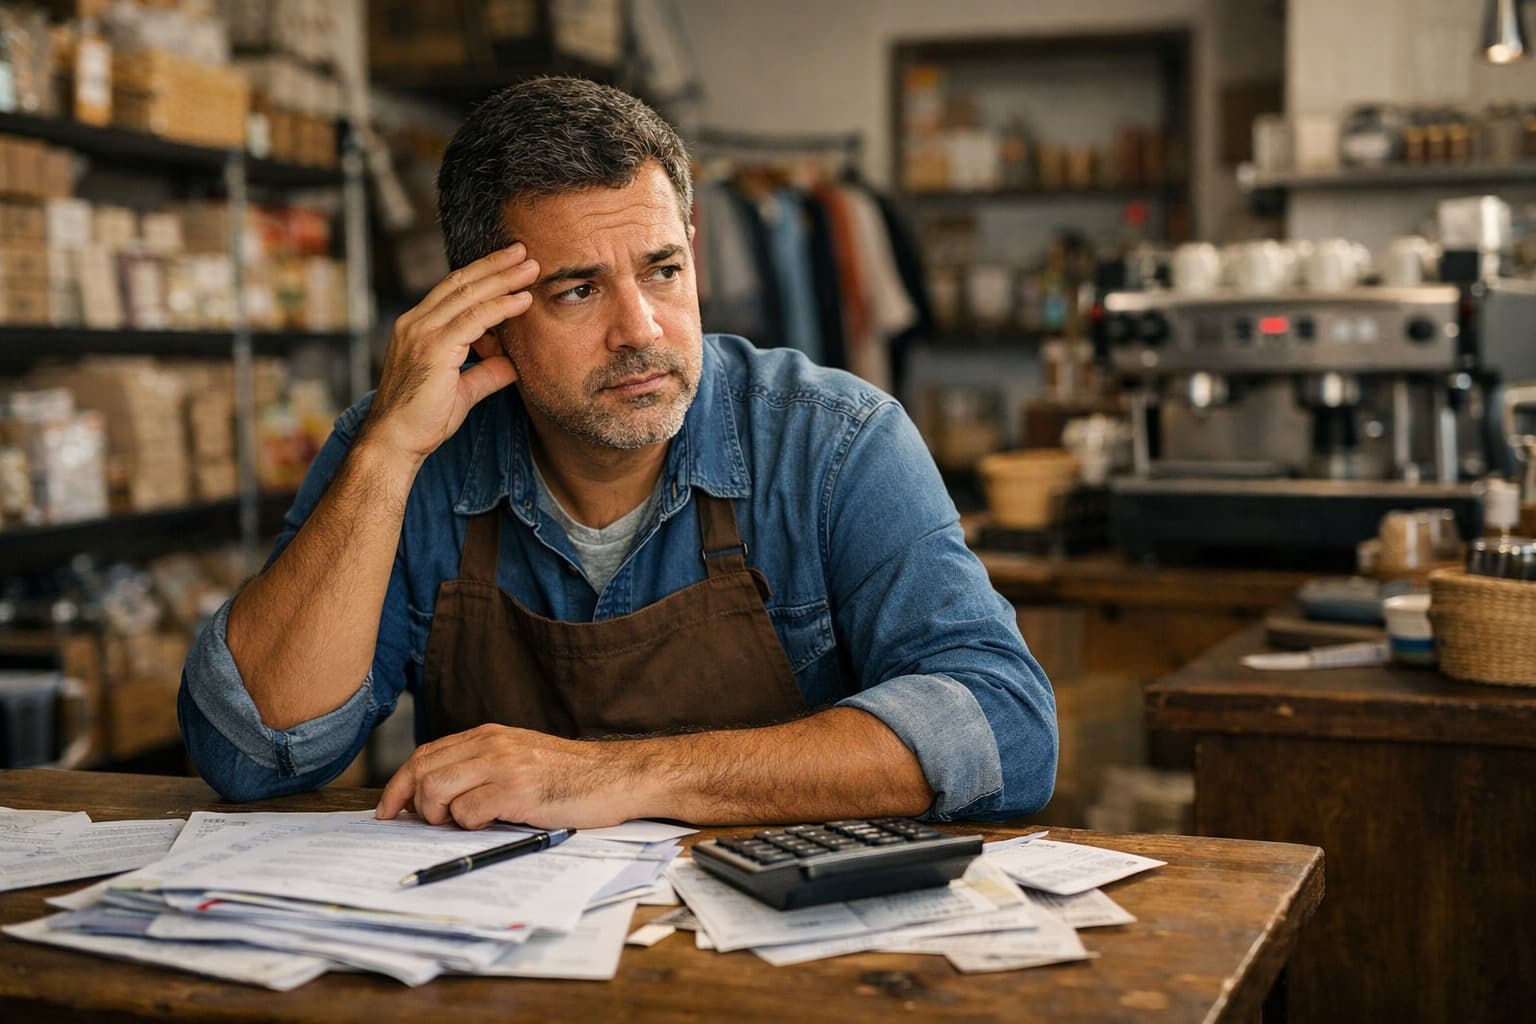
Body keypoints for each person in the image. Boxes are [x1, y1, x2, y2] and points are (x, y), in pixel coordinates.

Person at [179, 76, 1056, 829]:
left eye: (663, 271)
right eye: (577, 290)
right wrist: (383, 460)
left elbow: (1002, 728)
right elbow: (256, 752)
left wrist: (619, 776)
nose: (641, 332)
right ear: (484, 311)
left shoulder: (833, 441)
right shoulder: (408, 447)